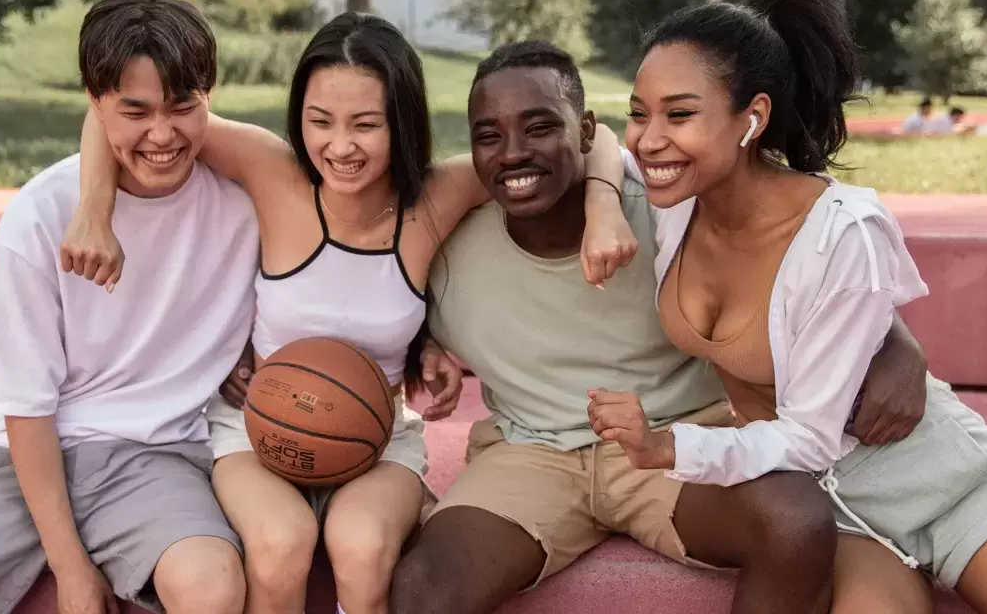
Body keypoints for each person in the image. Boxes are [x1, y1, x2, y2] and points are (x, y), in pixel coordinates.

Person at [62, 13, 636, 614]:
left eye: (366, 124)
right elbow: (121, 113)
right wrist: (93, 213)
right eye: (320, 122)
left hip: (378, 436)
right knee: (281, 542)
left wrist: (604, 207)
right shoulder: (272, 170)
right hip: (255, 430)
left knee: (359, 546)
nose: (339, 146)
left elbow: (597, 140)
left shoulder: (436, 199)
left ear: (403, 124)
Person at [387, 40, 931, 614]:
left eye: (540, 127)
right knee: (422, 588)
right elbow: (379, 305)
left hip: (677, 438)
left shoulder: (668, 208)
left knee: (794, 520)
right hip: (529, 454)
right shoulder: (448, 250)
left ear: (588, 131)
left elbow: (800, 264)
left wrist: (897, 340)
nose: (514, 153)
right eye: (488, 136)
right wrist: (427, 343)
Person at [597, 0, 987, 614]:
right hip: (824, 510)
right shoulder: (675, 200)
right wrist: (600, 208)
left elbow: (810, 434)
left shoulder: (841, 232)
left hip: (938, 483)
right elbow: (585, 137)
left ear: (752, 117)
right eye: (640, 114)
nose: (649, 139)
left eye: (680, 114)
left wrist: (667, 445)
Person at [0, 0, 252, 614]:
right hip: (25, 461)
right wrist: (71, 568)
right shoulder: (39, 215)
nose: (162, 134)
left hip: (155, 455)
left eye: (182, 107)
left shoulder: (243, 203)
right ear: (95, 104)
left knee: (212, 585)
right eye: (135, 110)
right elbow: (27, 408)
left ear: (210, 98)